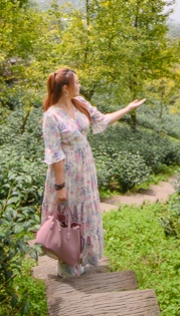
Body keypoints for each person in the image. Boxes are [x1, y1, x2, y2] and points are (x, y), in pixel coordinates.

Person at [41, 68, 145, 277]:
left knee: (84, 213)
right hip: (66, 174)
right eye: (77, 82)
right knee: (67, 215)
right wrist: (60, 187)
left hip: (85, 170)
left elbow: (103, 120)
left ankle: (82, 257)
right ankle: (67, 264)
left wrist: (127, 109)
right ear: (65, 88)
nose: (80, 85)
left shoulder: (80, 104)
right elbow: (55, 154)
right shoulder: (51, 116)